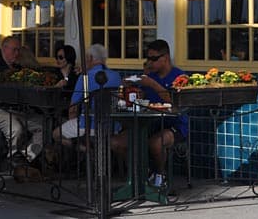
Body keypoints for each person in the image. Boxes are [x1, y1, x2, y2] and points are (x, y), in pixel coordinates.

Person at [112, 39, 187, 187]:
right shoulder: (150, 76)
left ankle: (160, 175)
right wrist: (134, 92)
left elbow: (176, 103)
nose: (150, 62)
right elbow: (142, 98)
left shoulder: (180, 77)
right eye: (148, 59)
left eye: (153, 58)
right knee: (116, 142)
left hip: (174, 125)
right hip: (148, 123)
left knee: (156, 143)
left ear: (165, 58)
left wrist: (152, 84)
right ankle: (143, 174)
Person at [0, 35, 45, 165]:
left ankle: (25, 158)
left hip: (17, 110)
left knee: (44, 126)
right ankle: (14, 160)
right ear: (4, 49)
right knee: (15, 127)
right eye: (14, 50)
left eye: (18, 50)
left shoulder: (18, 68)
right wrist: (10, 96)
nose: (17, 53)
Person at [53, 43, 122, 147]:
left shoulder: (85, 77)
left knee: (56, 134)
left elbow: (73, 108)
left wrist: (72, 121)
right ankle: (88, 152)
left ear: (90, 58)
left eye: (85, 58)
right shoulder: (116, 76)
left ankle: (84, 152)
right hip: (113, 127)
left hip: (89, 126)